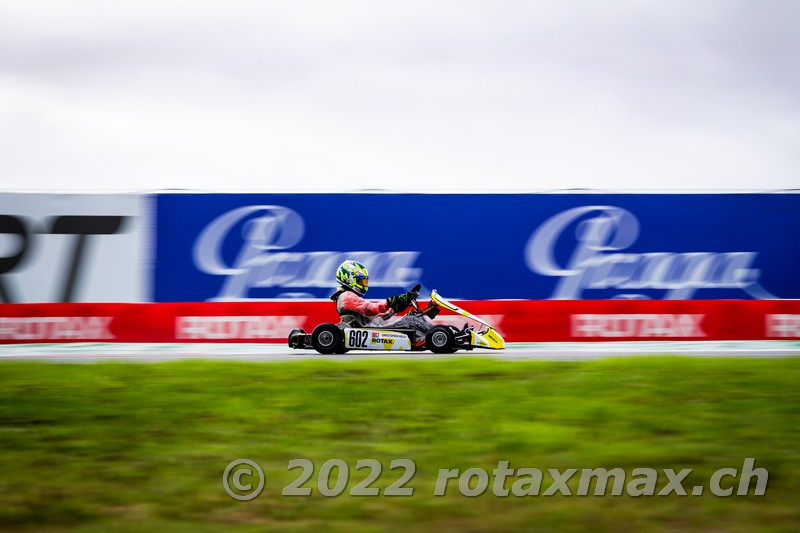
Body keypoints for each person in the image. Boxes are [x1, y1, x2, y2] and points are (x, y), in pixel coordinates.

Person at [331, 259, 432, 342]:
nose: (364, 284)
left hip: (373, 328)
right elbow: (370, 309)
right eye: (361, 281)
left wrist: (395, 309)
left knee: (411, 317)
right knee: (410, 320)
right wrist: (391, 301)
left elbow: (375, 317)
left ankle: (433, 335)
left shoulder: (348, 296)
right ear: (348, 278)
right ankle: (436, 335)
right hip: (372, 331)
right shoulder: (347, 296)